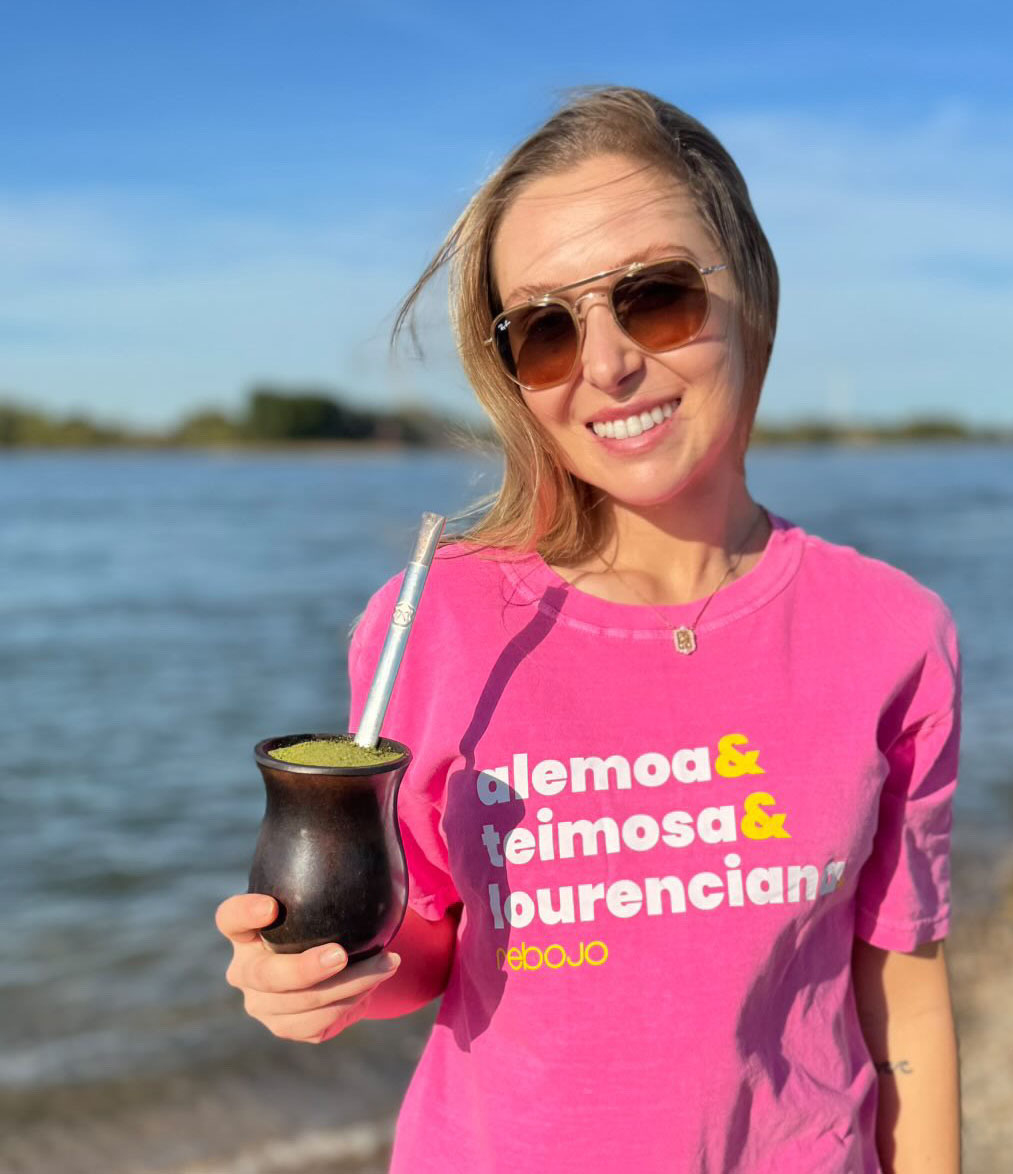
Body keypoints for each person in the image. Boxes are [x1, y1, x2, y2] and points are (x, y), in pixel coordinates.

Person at [217, 86, 963, 1173]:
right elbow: (426, 939)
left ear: (751, 292)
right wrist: (326, 977)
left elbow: (904, 995)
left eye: (654, 297)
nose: (606, 364)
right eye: (546, 329)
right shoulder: (434, 620)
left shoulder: (891, 632)